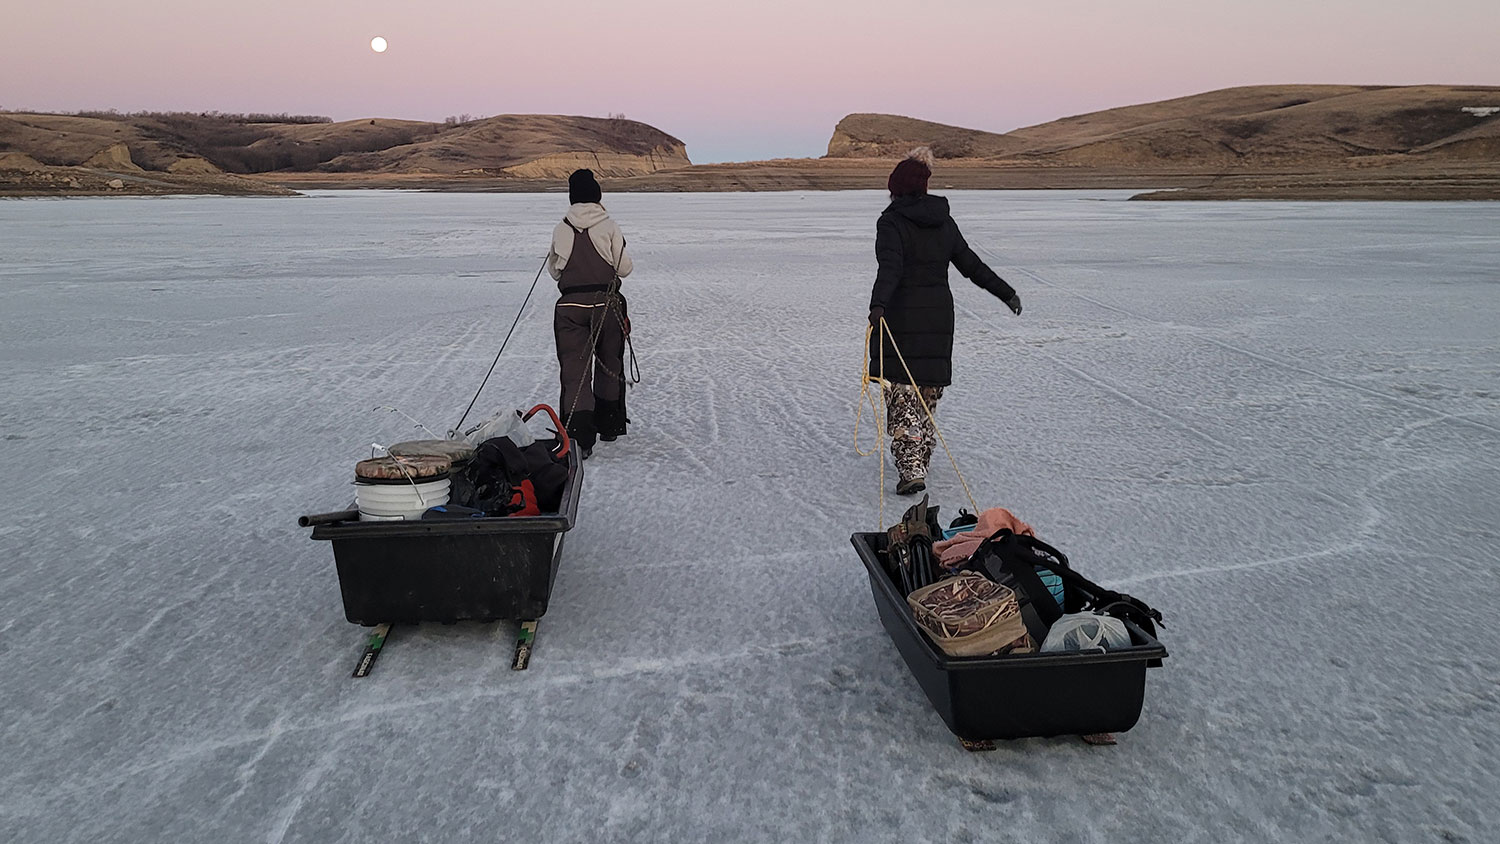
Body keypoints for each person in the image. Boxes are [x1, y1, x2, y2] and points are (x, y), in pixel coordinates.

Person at [868, 148, 1021, 495]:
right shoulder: (944, 222)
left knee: (903, 396)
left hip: (903, 319)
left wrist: (878, 305)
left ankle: (912, 470)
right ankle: (920, 459)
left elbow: (890, 268)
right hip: (938, 320)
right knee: (925, 397)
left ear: (896, 188)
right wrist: (1005, 292)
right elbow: (972, 265)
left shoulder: (891, 222)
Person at [547, 169, 633, 458]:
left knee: (574, 371)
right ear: (597, 196)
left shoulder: (561, 227)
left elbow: (554, 270)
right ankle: (609, 426)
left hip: (570, 308)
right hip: (607, 306)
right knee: (611, 363)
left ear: (572, 197)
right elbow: (625, 269)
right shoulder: (609, 226)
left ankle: (580, 439)